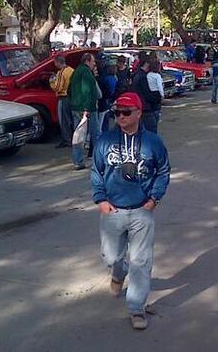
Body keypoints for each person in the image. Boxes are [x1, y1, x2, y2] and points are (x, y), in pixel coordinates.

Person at [91, 92, 171, 331]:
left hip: (141, 211)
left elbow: (163, 171)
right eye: (117, 113)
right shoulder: (105, 140)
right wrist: (100, 199)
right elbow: (96, 171)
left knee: (140, 261)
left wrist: (154, 199)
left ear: (138, 113)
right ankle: (118, 273)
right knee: (111, 257)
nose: (121, 117)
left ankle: (136, 308)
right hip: (112, 210)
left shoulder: (153, 142)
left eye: (126, 112)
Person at [69, 53, 100, 170]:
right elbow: (88, 91)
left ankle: (78, 161)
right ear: (87, 61)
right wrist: (87, 108)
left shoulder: (76, 71)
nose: (94, 64)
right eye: (93, 62)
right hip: (88, 109)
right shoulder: (86, 72)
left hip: (76, 107)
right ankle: (99, 160)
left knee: (78, 135)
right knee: (96, 134)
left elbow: (69, 89)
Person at [130, 57, 162, 134]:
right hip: (146, 107)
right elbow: (147, 93)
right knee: (151, 131)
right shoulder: (143, 77)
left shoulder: (138, 74)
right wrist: (157, 98)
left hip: (142, 106)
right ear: (146, 64)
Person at [50, 56, 74, 149]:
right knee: (71, 119)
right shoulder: (71, 70)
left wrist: (51, 82)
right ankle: (72, 138)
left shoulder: (61, 72)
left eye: (55, 63)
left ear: (58, 62)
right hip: (71, 96)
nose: (55, 65)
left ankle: (66, 140)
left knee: (64, 120)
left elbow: (57, 88)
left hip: (63, 97)